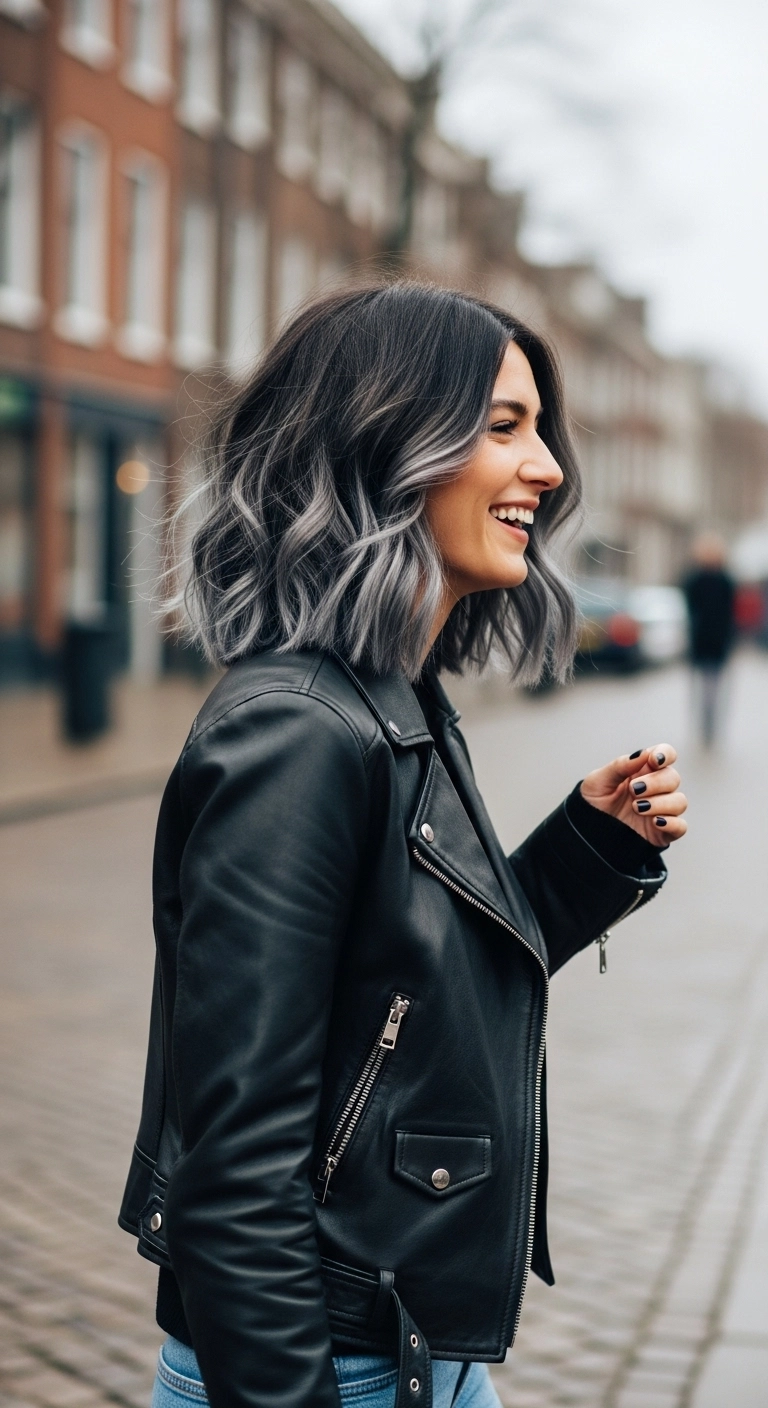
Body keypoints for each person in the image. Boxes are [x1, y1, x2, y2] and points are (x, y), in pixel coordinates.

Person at [119, 284, 688, 1408]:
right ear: (387, 439)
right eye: (503, 426)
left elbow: (408, 997)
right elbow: (235, 1175)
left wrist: (581, 855)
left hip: (411, 1348)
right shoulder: (297, 732)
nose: (550, 470)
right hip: (327, 1369)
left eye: (541, 429)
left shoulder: (394, 700)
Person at [682, 533, 737, 746]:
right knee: (704, 689)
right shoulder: (696, 580)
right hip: (702, 644)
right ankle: (706, 725)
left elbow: (730, 614)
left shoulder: (725, 580)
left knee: (712, 690)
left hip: (717, 644)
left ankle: (710, 725)